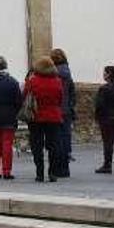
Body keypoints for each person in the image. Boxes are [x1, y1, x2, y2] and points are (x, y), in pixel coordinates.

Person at [24, 57, 65, 182]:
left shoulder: (32, 81)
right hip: (54, 116)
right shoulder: (58, 81)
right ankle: (52, 172)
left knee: (37, 145)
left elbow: (25, 95)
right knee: (53, 145)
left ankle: (39, 172)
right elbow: (60, 98)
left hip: (36, 117)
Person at [50, 49, 76, 177]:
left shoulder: (54, 74)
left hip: (56, 108)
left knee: (56, 139)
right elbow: (72, 91)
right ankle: (65, 168)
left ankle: (57, 167)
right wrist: (71, 106)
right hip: (66, 109)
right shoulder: (68, 72)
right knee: (65, 138)